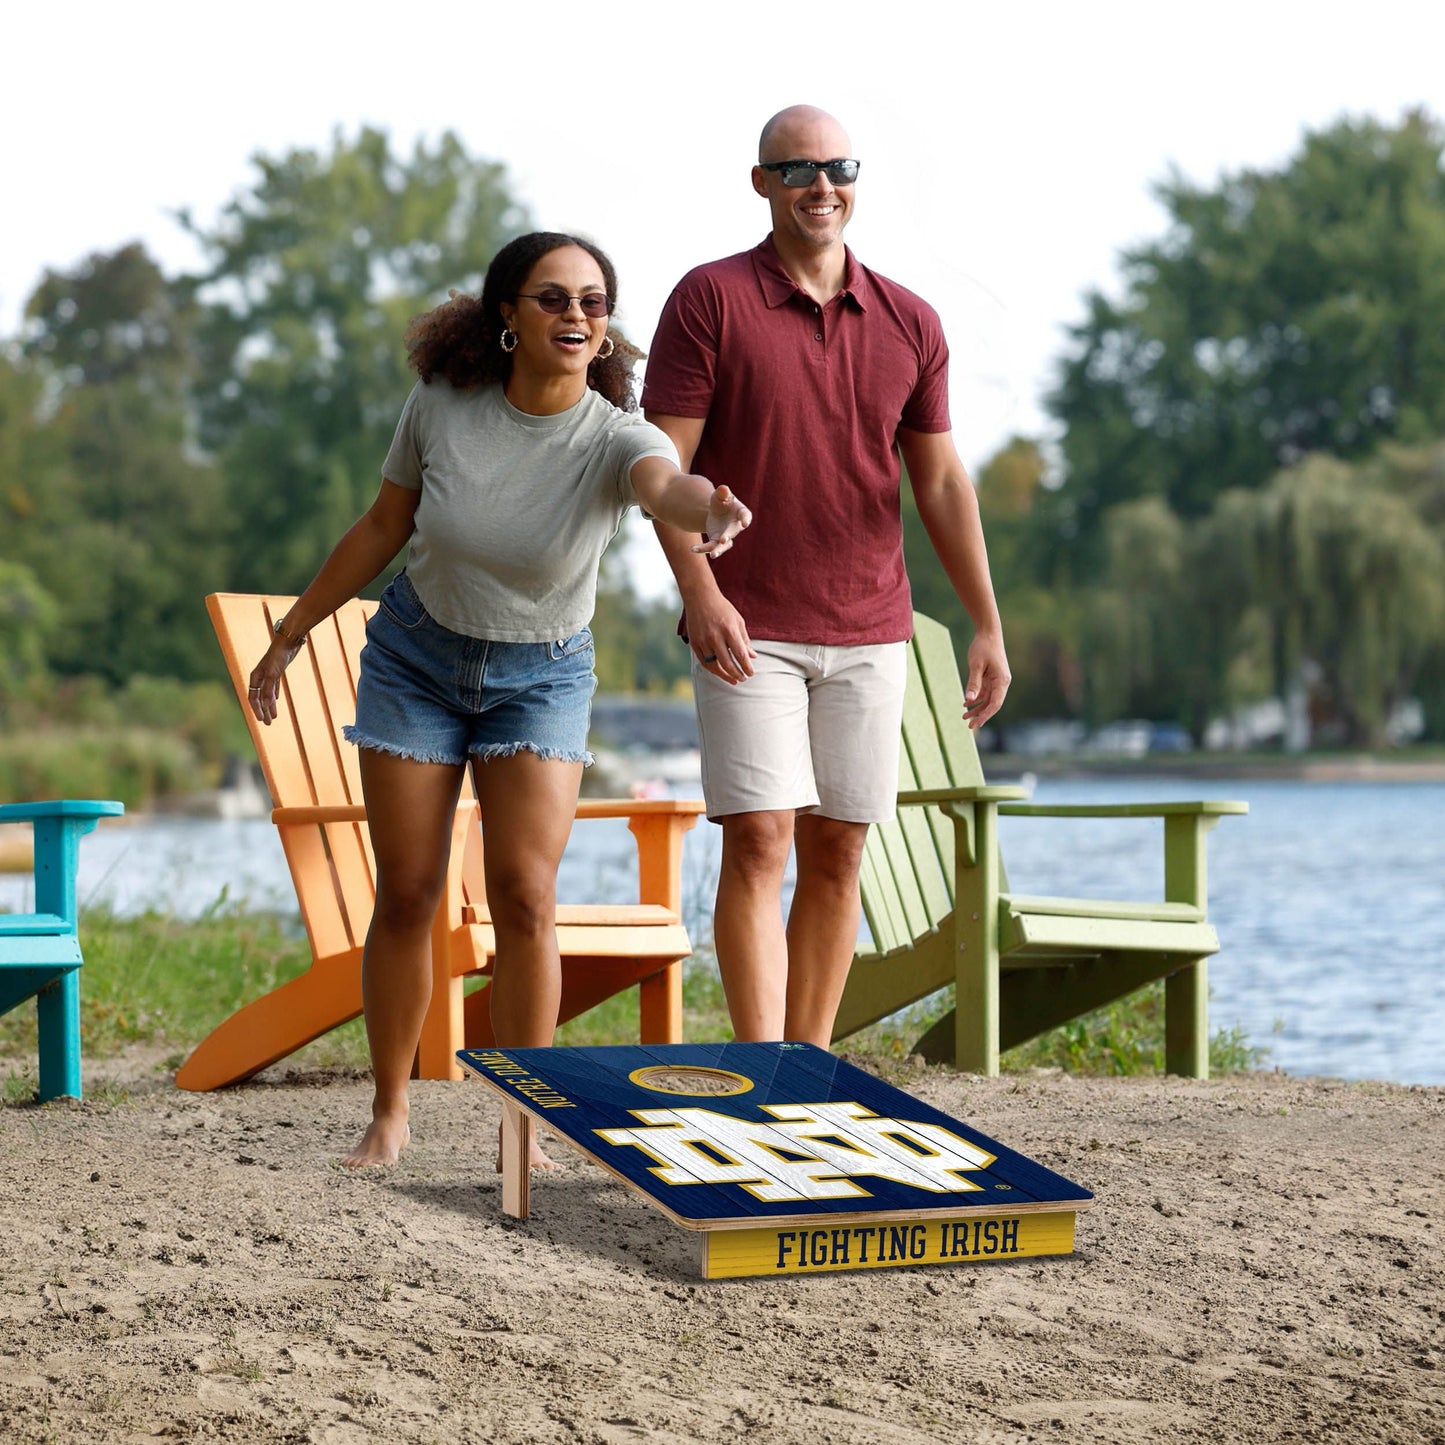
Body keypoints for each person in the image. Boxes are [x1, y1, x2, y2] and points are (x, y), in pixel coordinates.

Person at [246, 231, 752, 1169]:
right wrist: (294, 629)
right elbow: (383, 525)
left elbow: (664, 487)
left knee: (525, 895)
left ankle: (525, 1120)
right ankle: (390, 1110)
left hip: (543, 675)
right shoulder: (442, 404)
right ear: (508, 315)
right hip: (416, 661)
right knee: (408, 891)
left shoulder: (616, 436)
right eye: (552, 297)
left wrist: (708, 510)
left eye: (592, 301)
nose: (575, 314)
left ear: (606, 328)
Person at [641, 104, 1010, 1050]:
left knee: (839, 849)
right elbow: (659, 469)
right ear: (760, 183)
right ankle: (762, 1066)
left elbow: (940, 481)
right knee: (760, 837)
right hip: (746, 623)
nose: (820, 186)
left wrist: (985, 622)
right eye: (797, 169)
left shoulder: (909, 320)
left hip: (870, 626)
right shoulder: (709, 299)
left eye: (837, 167)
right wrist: (700, 594)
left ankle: (804, 1068)